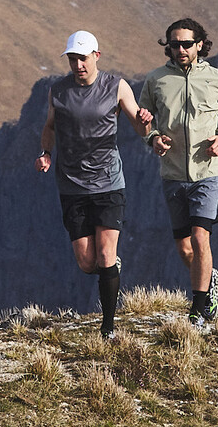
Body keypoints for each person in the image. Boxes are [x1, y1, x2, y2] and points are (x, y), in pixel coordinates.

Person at [36, 30, 152, 339]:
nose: (78, 65)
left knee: (104, 254)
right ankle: (111, 268)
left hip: (109, 182)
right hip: (72, 185)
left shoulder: (116, 87)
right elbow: (49, 128)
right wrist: (46, 153)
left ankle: (108, 327)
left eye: (83, 59)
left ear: (96, 57)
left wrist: (146, 121)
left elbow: (139, 127)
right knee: (88, 262)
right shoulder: (58, 92)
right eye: (72, 59)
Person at [139, 18, 218, 327]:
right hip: (172, 174)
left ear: (200, 45)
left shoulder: (217, 78)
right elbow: (143, 116)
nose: (180, 49)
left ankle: (198, 310)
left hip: (208, 172)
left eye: (186, 43)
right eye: (174, 44)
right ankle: (211, 281)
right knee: (185, 248)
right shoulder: (156, 80)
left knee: (200, 240)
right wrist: (153, 138)